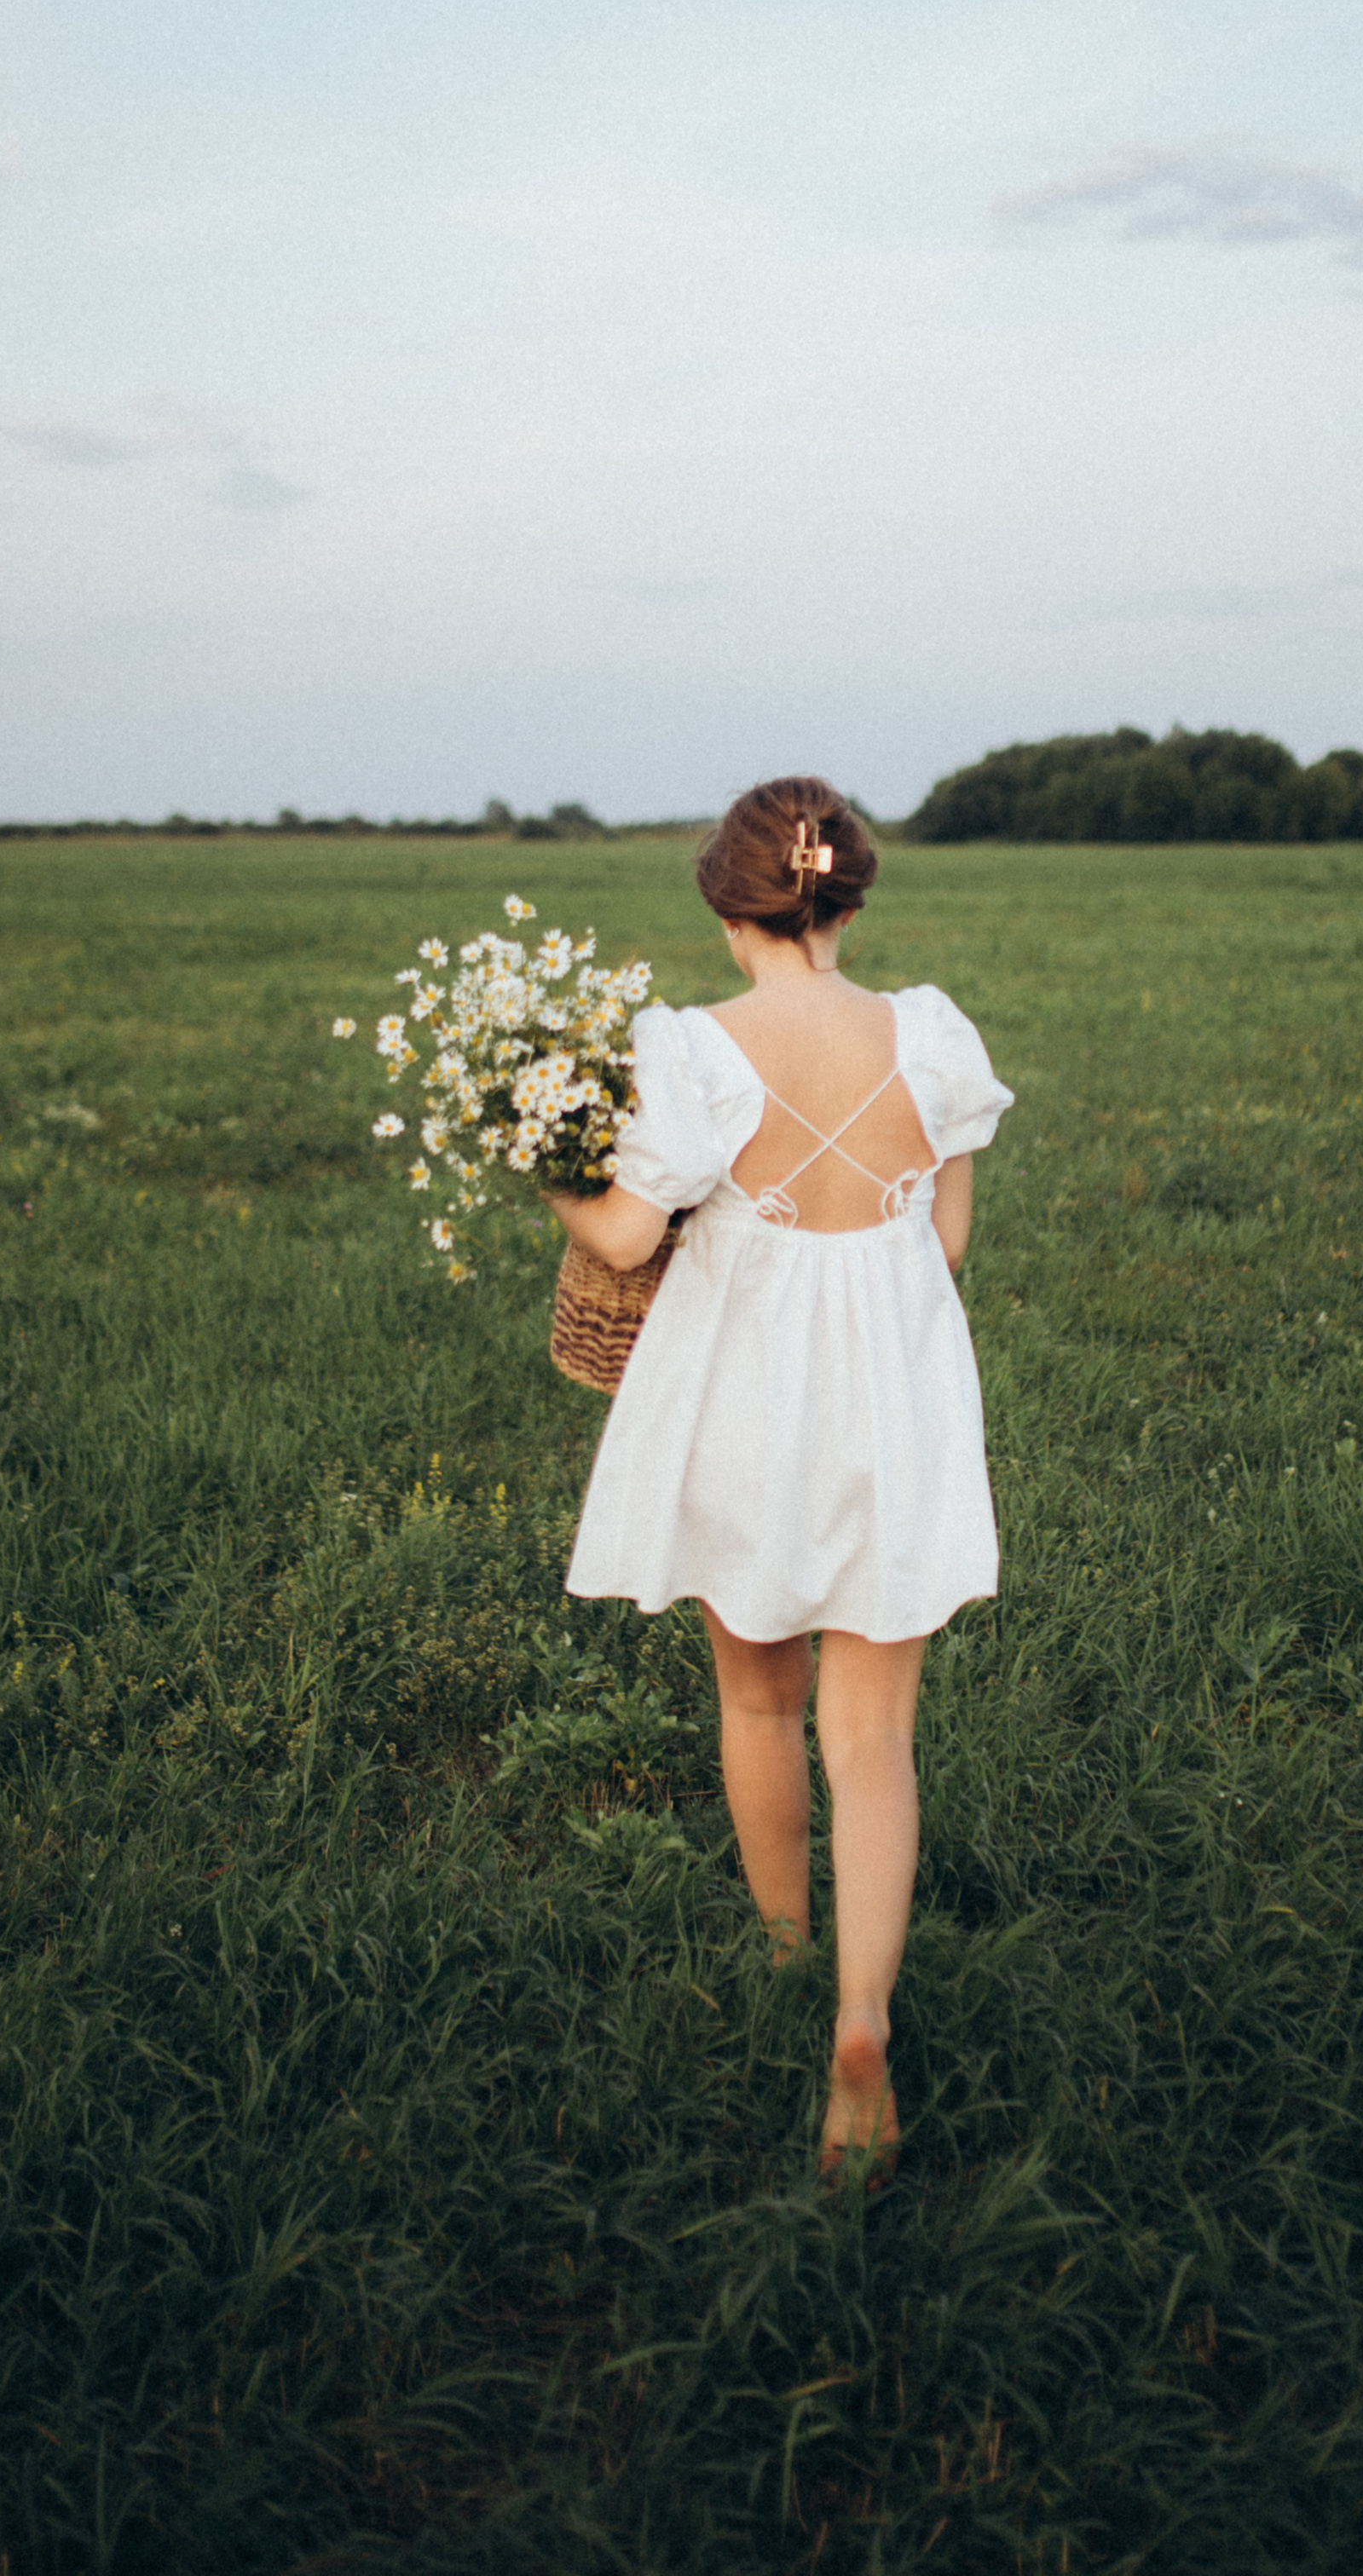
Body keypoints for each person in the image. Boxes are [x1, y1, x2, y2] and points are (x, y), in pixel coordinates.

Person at [545, 775, 1013, 2187]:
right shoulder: (926, 1036)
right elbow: (941, 1247)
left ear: (728, 910)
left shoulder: (692, 1051)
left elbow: (629, 1242)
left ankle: (782, 1952)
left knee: (760, 1694)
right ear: (850, 902)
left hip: (745, 1401)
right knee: (872, 1738)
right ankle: (861, 2023)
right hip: (896, 1405)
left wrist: (547, 1172)